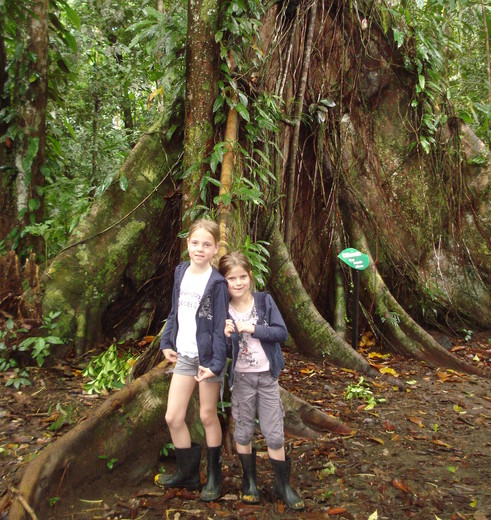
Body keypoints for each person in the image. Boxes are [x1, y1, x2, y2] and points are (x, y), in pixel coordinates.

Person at [218, 251, 305, 510]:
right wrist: (224, 335)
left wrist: (252, 328)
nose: (238, 282)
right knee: (243, 431)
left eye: (242, 276)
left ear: (250, 277)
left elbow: (282, 333)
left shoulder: (264, 301)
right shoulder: (224, 311)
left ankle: (282, 485)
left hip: (267, 379)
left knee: (274, 434)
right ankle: (250, 482)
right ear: (224, 282)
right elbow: (220, 350)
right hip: (242, 380)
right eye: (231, 278)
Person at [154, 219, 229, 502]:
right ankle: (187, 473)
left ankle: (214, 477)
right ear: (187, 244)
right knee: (173, 416)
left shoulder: (217, 283)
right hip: (184, 354)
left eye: (206, 244)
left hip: (208, 357)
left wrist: (215, 365)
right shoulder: (181, 271)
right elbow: (175, 311)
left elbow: (222, 326)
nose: (200, 248)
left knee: (207, 415)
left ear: (215, 249)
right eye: (195, 243)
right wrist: (166, 342)